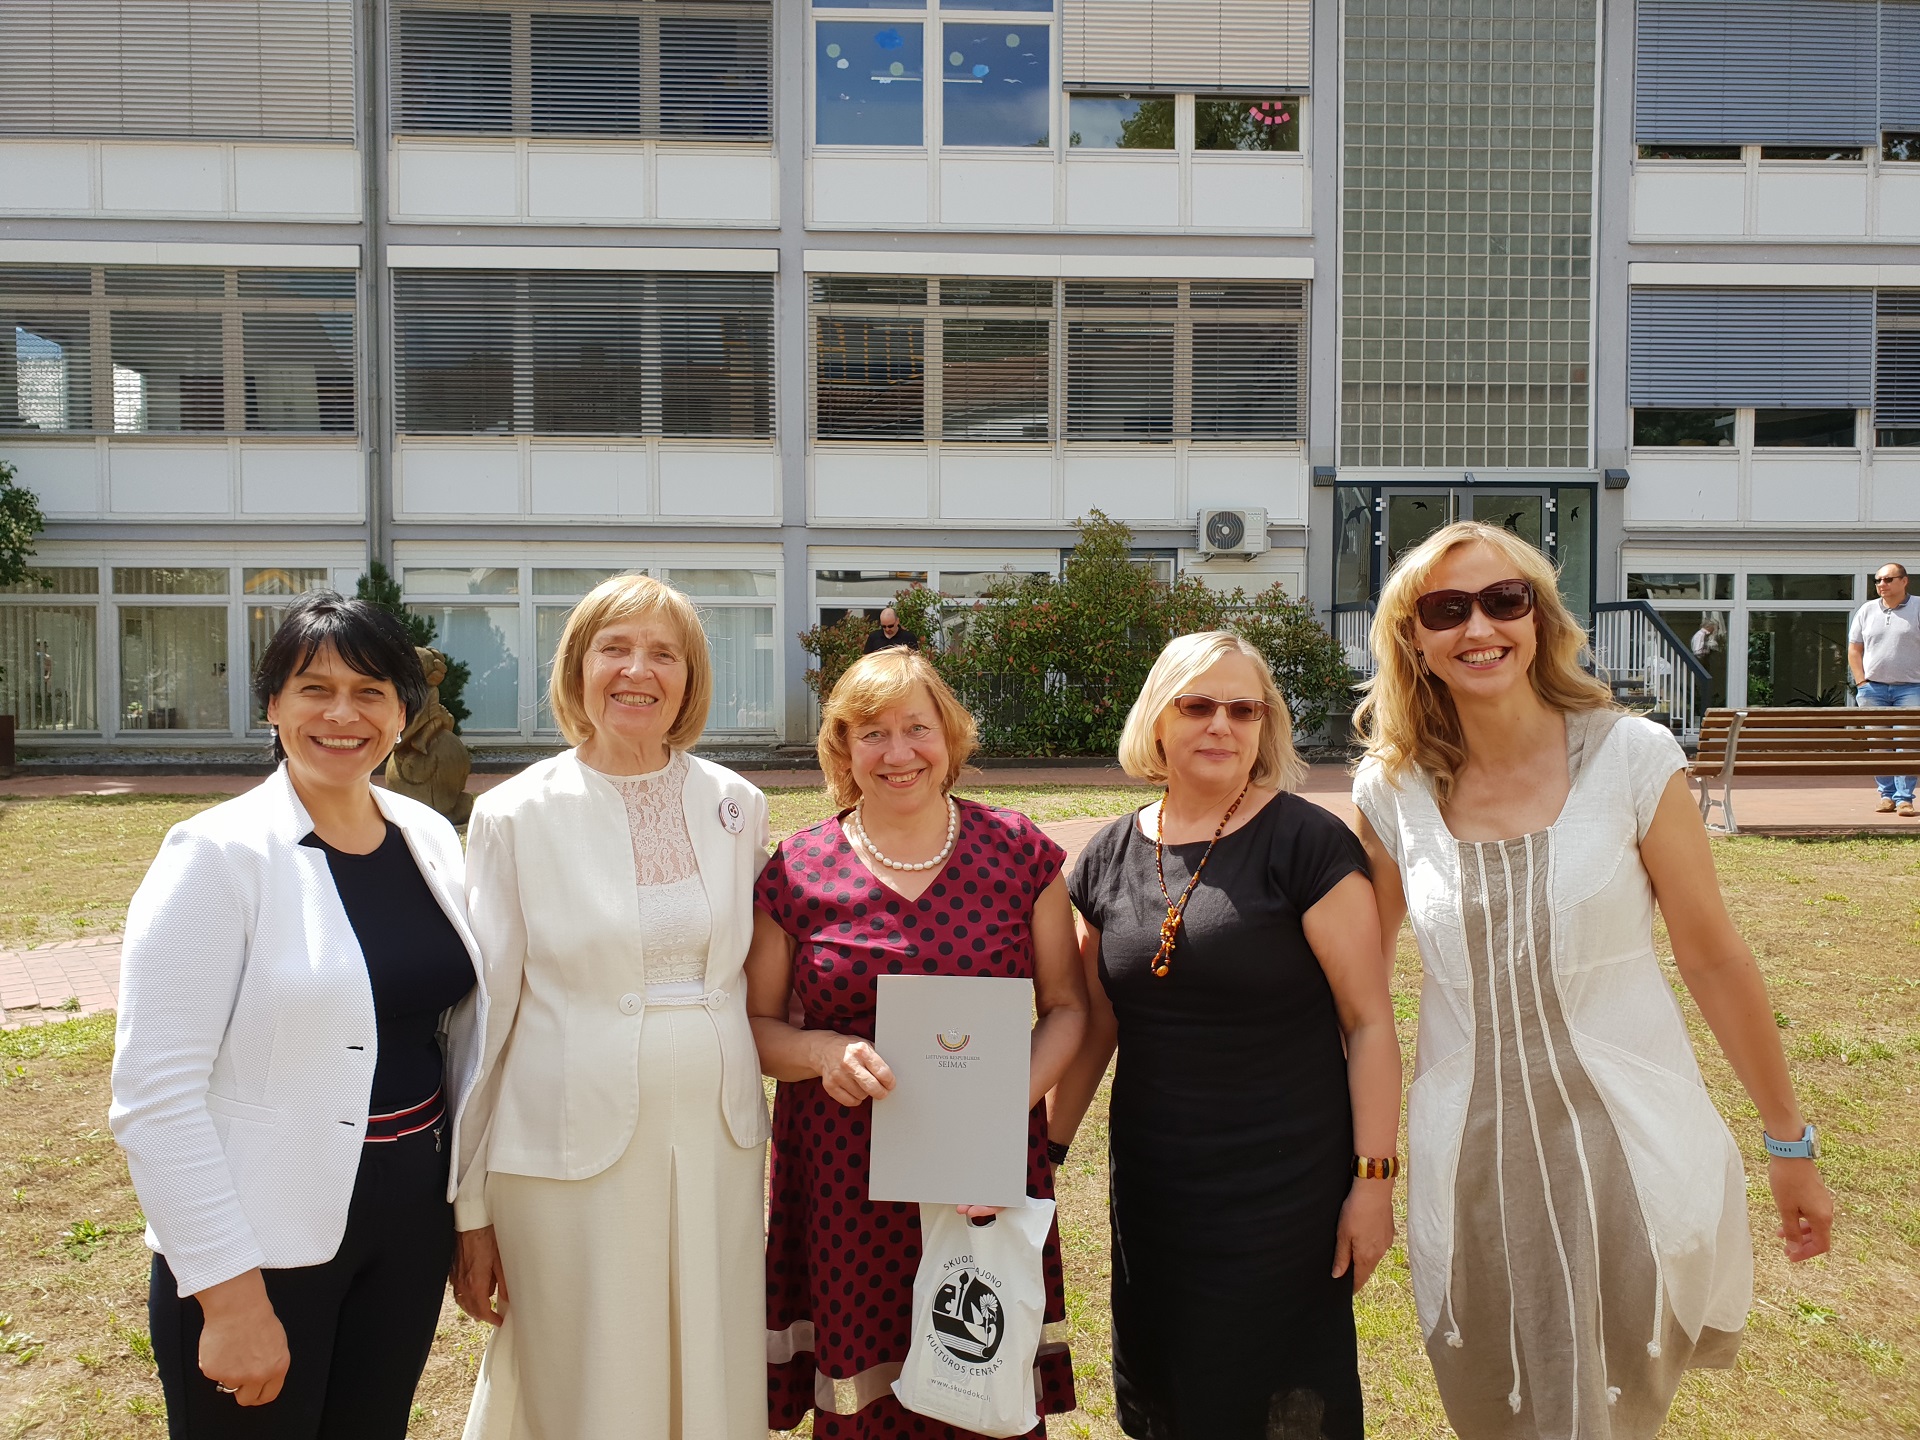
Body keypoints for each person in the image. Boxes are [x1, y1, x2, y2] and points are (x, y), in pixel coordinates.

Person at [1350, 521, 1833, 1440]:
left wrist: (1789, 1143)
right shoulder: (1392, 791)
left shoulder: (1634, 759)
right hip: (1472, 1164)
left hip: (1628, 1151)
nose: (1479, 627)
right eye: (1446, 609)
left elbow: (1715, 959)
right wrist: (1356, 1165)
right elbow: (1358, 997)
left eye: (1505, 599)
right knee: (1495, 1405)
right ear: (1413, 639)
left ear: (1541, 615)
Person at [110, 593, 484, 1439]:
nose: (342, 714)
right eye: (314, 688)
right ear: (273, 703)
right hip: (262, 1235)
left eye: (371, 691)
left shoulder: (426, 835)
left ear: (402, 710)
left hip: (407, 1221)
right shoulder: (215, 854)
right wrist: (230, 1295)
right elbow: (153, 1096)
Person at [1050, 631, 1398, 1440]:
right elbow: (1097, 1022)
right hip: (1157, 1193)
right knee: (1171, 1403)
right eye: (1198, 705)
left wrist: (1373, 1181)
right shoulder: (1108, 854)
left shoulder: (1308, 845)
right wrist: (1050, 1152)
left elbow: (1369, 1020)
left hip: (1284, 1197)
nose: (1222, 726)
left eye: (1244, 709)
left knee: (1276, 1406)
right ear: (1159, 722)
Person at [448, 573, 771, 1440]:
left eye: (663, 652)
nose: (638, 670)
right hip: (562, 1147)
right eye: (614, 648)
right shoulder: (514, 814)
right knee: (584, 1369)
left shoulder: (739, 806)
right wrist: (469, 1205)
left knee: (708, 1354)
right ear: (578, 669)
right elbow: (488, 1021)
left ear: (691, 676)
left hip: (716, 1140)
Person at [747, 647, 1088, 1438]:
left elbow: (1067, 1007)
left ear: (951, 737)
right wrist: (821, 1054)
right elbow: (758, 1028)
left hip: (984, 1167)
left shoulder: (1019, 854)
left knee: (981, 1378)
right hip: (844, 1173)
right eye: (871, 733)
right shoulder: (797, 870)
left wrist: (1000, 1110)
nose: (897, 753)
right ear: (841, 749)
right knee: (864, 1391)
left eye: (916, 729)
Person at [1847, 562, 1920, 815]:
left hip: (1911, 688)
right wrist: (1861, 682)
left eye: (1888, 579)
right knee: (1879, 745)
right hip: (1873, 689)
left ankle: (1904, 799)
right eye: (1878, 580)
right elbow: (1855, 649)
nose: (1882, 585)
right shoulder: (1866, 610)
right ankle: (1886, 796)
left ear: (1904, 581)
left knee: (1907, 745)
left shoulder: (1918, 607)